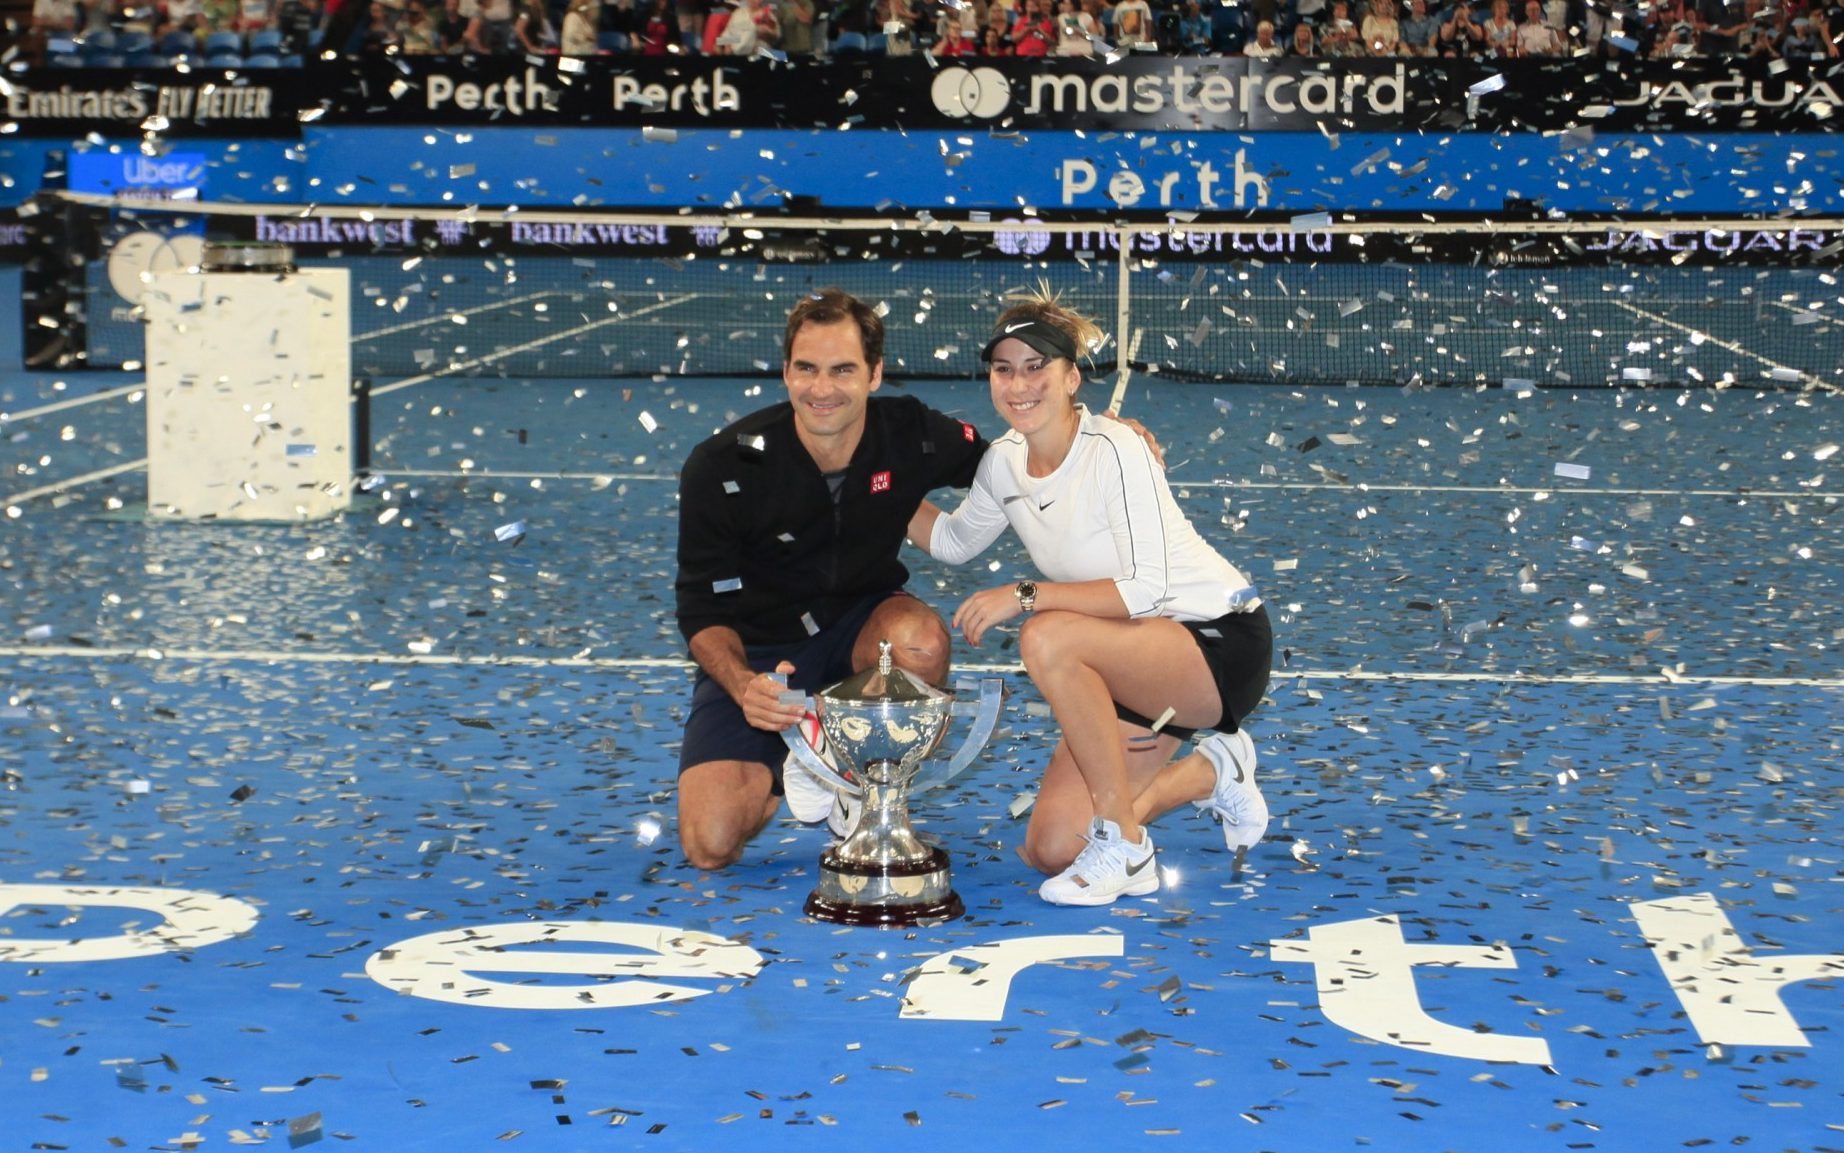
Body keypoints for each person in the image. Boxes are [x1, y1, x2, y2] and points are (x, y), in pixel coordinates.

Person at [908, 293, 1274, 908]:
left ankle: (1125, 848)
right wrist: (867, 485)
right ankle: (1214, 771)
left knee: (1045, 634)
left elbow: (1146, 589)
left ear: (1071, 377)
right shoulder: (1002, 464)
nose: (1019, 383)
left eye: (1036, 367)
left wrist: (1022, 595)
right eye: (1004, 368)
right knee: (1054, 847)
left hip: (1215, 643)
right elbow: (949, 540)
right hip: (1129, 667)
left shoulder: (1115, 449)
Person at [672, 290, 991, 871]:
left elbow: (1012, 462)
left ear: (875, 374)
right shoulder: (721, 465)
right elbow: (699, 610)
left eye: (843, 369)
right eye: (807, 369)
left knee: (919, 643)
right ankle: (807, 751)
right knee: (710, 843)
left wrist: (1101, 440)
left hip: (859, 628)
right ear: (786, 371)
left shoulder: (912, 433)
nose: (822, 389)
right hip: (761, 652)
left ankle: (860, 782)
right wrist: (745, 686)